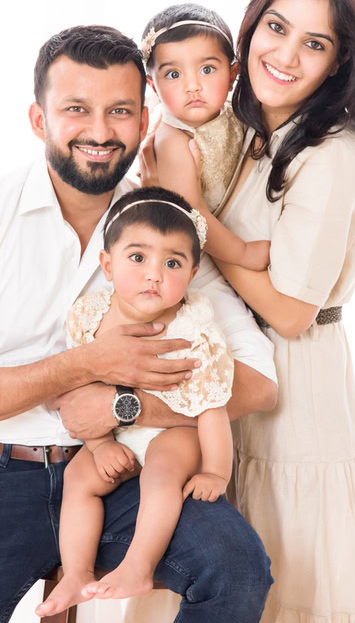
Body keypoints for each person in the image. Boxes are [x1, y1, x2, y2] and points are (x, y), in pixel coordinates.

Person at [0, 25, 277, 623]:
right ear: (38, 119)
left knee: (235, 564)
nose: (100, 133)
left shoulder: (164, 228)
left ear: (145, 120)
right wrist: (88, 365)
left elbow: (259, 381)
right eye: (77, 110)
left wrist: (124, 408)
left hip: (124, 472)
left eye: (120, 111)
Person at [137, 0, 355, 622]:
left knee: (292, 583)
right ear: (248, 31)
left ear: (339, 61)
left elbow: (288, 311)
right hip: (229, 368)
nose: (284, 54)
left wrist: (194, 225)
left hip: (295, 392)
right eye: (275, 29)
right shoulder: (247, 132)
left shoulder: (331, 154)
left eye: (314, 43)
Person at [35, 186, 236, 617]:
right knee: (79, 480)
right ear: (107, 265)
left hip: (173, 432)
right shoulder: (89, 315)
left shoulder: (195, 327)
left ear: (193, 271)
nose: (154, 275)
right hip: (114, 435)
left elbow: (212, 405)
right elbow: (75, 391)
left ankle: (138, 566)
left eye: (173, 263)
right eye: (138, 257)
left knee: (161, 475)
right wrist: (100, 446)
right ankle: (76, 572)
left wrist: (216, 471)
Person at [138, 3, 269, 271]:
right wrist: (243, 253)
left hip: (234, 225)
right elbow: (192, 215)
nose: (193, 86)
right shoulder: (174, 141)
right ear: (153, 85)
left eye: (207, 69)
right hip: (202, 250)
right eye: (174, 74)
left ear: (233, 74)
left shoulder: (232, 110)